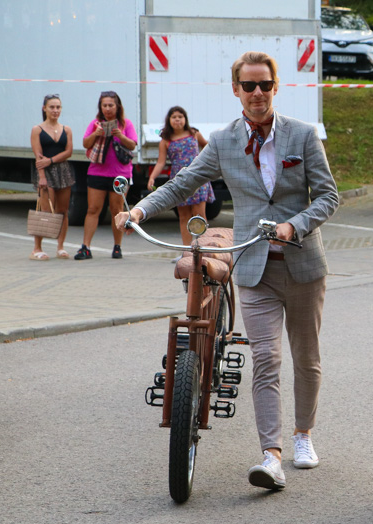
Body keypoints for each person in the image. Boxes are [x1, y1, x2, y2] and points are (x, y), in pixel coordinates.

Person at [115, 51, 339, 491]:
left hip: (303, 265)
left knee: (306, 359)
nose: (257, 93)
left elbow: (328, 196)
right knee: (267, 359)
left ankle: (303, 434)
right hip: (254, 267)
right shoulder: (222, 141)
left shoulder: (303, 135)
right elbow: (183, 183)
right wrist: (140, 209)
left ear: (276, 87)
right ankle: (271, 456)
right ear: (236, 90)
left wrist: (296, 225)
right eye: (249, 86)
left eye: (265, 85)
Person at [147, 106, 215, 262]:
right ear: (169, 120)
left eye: (180, 116)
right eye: (174, 117)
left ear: (185, 119)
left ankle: (203, 249)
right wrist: (152, 177)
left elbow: (208, 147)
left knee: (200, 216)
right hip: (179, 181)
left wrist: (208, 164)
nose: (177, 119)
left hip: (199, 179)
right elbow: (161, 162)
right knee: (184, 216)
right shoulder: (165, 140)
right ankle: (187, 252)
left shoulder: (194, 134)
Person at [76, 91, 137, 260]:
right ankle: (85, 247)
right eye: (105, 105)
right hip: (97, 172)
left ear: (118, 106)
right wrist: (96, 134)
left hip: (120, 174)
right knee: (93, 209)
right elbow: (85, 143)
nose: (108, 109)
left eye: (111, 105)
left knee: (117, 210)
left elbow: (132, 145)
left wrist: (120, 135)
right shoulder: (95, 124)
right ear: (100, 107)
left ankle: (117, 247)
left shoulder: (126, 124)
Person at [29, 94, 74, 260]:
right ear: (44, 108)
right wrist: (42, 177)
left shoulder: (66, 129)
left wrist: (52, 160)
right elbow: (38, 157)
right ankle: (36, 248)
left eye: (58, 107)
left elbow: (69, 151)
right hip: (45, 174)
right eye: (52, 107)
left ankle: (61, 247)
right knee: (45, 211)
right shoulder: (37, 130)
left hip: (63, 171)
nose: (55, 110)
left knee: (63, 211)